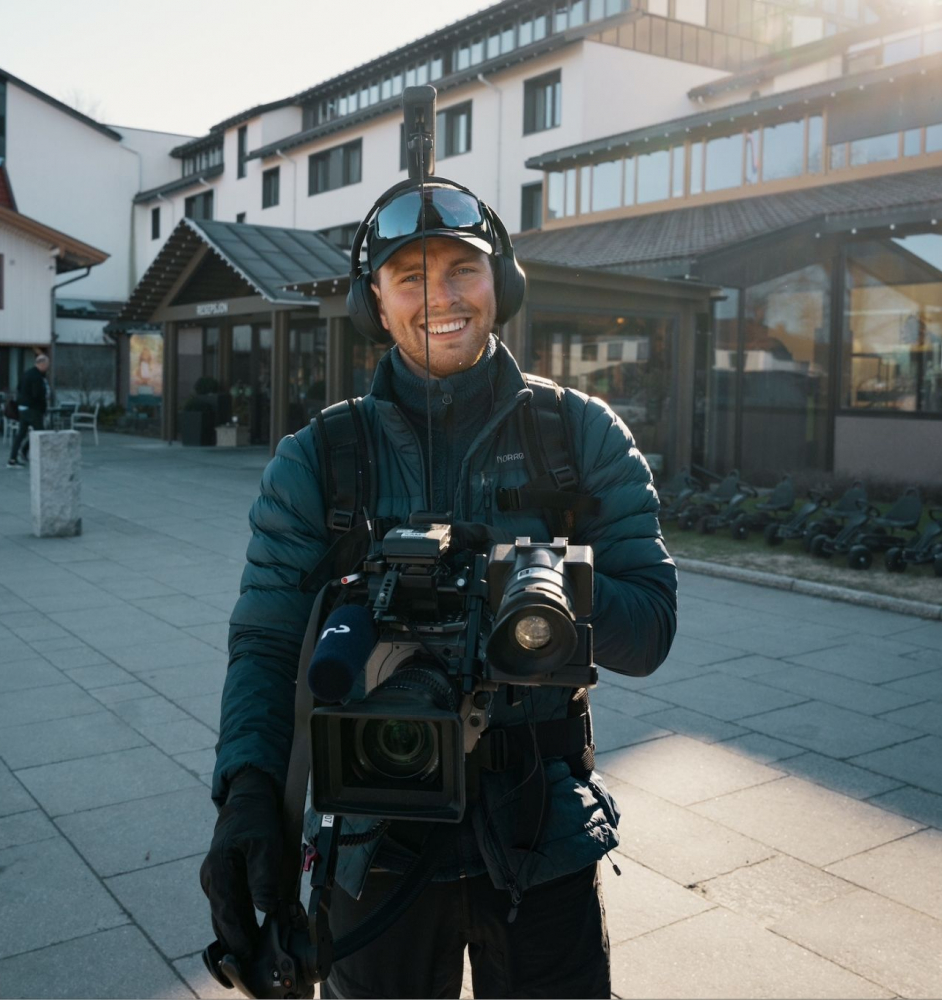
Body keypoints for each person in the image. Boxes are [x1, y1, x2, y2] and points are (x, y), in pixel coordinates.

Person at [200, 178, 678, 998]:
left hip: (542, 831)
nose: (442, 297)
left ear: (503, 283)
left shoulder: (581, 437)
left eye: (463, 269)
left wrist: (543, 587)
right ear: (375, 303)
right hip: (373, 837)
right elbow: (268, 642)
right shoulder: (318, 461)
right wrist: (247, 792)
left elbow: (653, 631)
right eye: (410, 277)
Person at [7, 353, 50, 467]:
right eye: (47, 365)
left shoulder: (26, 373)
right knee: (40, 432)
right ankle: (28, 452)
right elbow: (38, 395)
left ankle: (13, 458)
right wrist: (42, 407)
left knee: (21, 433)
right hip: (33, 409)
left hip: (22, 408)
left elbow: (19, 388)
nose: (47, 368)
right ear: (42, 364)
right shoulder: (37, 377)